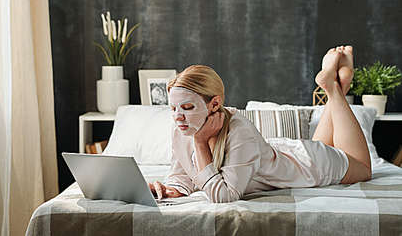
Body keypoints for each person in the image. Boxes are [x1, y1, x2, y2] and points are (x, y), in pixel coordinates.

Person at [148, 46, 371, 203]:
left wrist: (199, 142)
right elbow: (182, 175)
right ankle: (338, 84)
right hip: (288, 155)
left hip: (312, 165)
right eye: (173, 108)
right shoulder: (181, 129)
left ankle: (332, 88)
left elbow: (224, 196)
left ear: (214, 103)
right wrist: (171, 190)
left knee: (364, 168)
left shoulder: (239, 131)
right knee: (324, 144)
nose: (177, 117)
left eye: (187, 108)